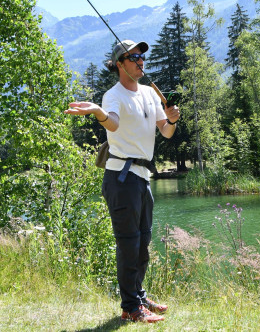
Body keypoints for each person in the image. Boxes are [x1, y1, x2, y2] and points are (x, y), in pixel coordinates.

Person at [65, 39, 180, 323]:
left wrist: (173, 119)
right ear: (120, 64)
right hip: (121, 176)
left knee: (143, 243)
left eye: (142, 57)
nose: (140, 61)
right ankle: (130, 308)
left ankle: (138, 296)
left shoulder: (150, 94)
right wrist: (97, 112)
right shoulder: (112, 96)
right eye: (134, 57)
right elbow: (113, 124)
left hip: (142, 177)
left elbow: (165, 132)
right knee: (129, 243)